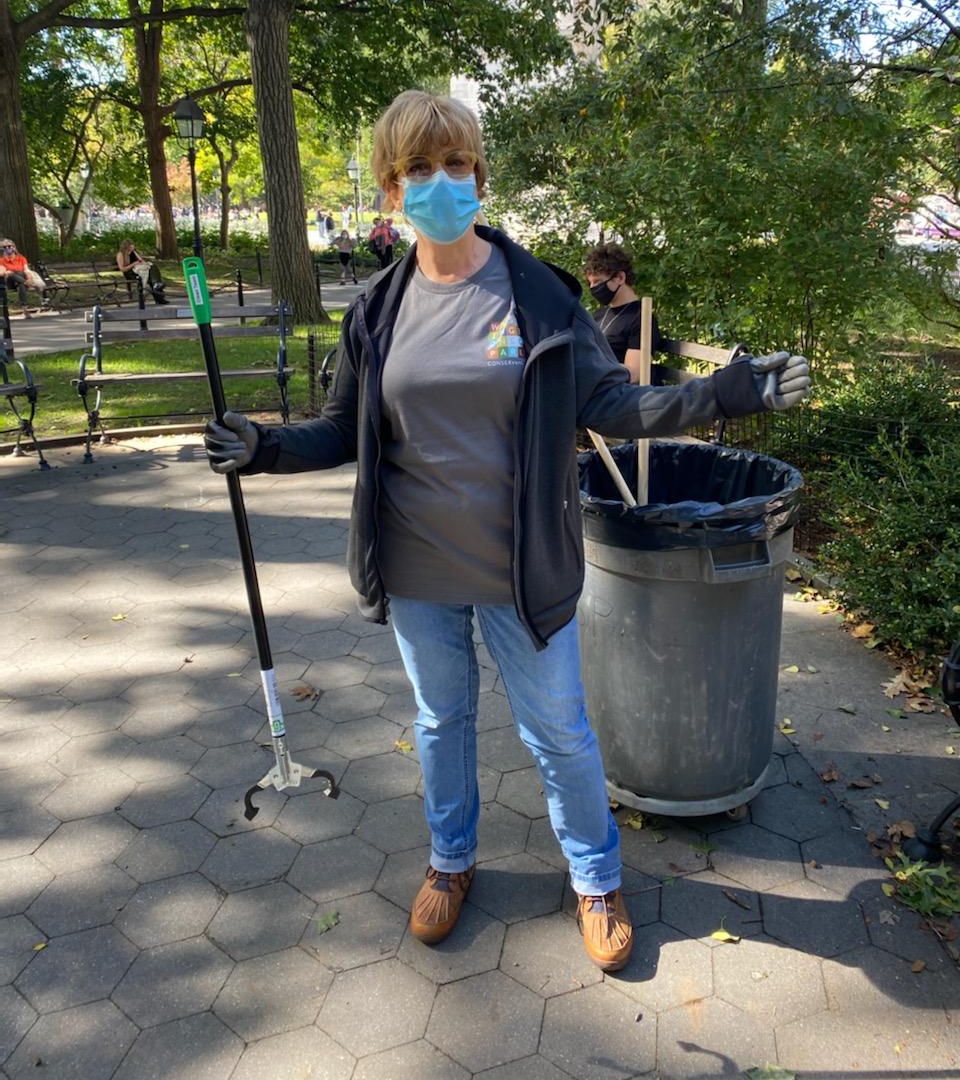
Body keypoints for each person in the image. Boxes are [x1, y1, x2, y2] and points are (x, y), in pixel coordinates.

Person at [203, 90, 810, 973]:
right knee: (442, 724)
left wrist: (725, 393)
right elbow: (342, 431)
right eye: (418, 169)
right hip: (416, 571)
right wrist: (260, 447)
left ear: (479, 176)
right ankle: (451, 860)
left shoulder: (536, 293)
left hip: (524, 571)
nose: (439, 183)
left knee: (559, 731)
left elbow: (614, 403)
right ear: (390, 188)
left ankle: (596, 877)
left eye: (455, 165)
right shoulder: (376, 309)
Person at [584, 243, 662, 384]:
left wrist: (589, 370)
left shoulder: (642, 319)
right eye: (590, 283)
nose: (593, 288)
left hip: (623, 397)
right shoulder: (599, 315)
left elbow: (634, 374)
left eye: (598, 281)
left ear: (620, 277)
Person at [116, 239, 168, 304]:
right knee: (152, 277)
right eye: (129, 248)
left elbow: (142, 261)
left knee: (152, 267)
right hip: (130, 273)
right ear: (125, 247)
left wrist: (135, 254)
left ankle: (157, 290)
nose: (131, 249)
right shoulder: (121, 254)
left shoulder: (133, 252)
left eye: (132, 247)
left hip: (139, 271)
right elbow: (122, 269)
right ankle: (159, 297)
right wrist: (134, 264)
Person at [0, 240, 41, 316]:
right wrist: (6, 272)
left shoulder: (21, 258)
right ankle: (29, 284)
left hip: (20, 279)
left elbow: (26, 269)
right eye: (5, 247)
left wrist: (29, 277)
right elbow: (1, 272)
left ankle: (25, 310)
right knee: (11, 273)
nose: (7, 248)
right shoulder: (2, 260)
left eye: (9, 246)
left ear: (14, 248)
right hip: (9, 281)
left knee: (21, 285)